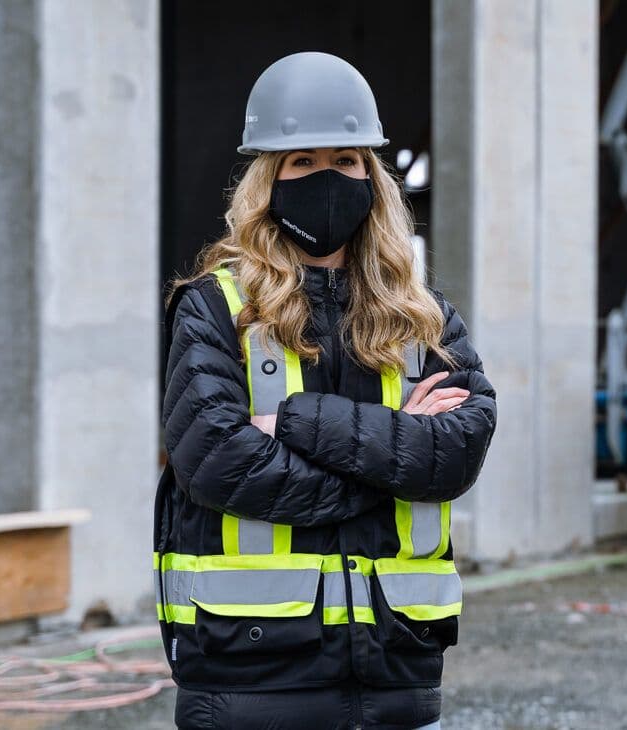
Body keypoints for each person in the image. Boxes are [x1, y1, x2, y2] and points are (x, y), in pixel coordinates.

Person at [152, 51, 496, 730]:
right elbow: (216, 460)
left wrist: (293, 423)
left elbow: (456, 452)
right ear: (266, 182)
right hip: (250, 680)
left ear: (372, 176)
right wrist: (389, 468)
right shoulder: (216, 309)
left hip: (397, 679)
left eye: (345, 160)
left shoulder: (421, 316)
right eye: (302, 163)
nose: (327, 178)